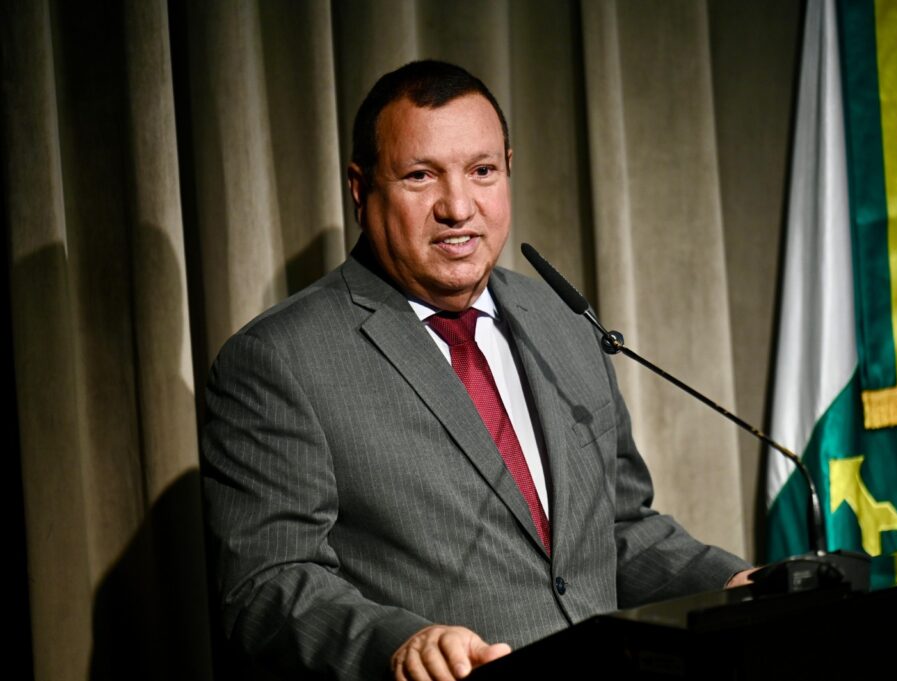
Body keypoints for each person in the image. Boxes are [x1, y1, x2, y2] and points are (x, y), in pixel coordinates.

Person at [201, 60, 753, 681]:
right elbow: (266, 585)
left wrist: (739, 585)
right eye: (420, 176)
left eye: (482, 171)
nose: (458, 206)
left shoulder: (562, 318)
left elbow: (618, 528)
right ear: (361, 189)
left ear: (508, 170)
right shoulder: (278, 360)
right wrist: (401, 644)